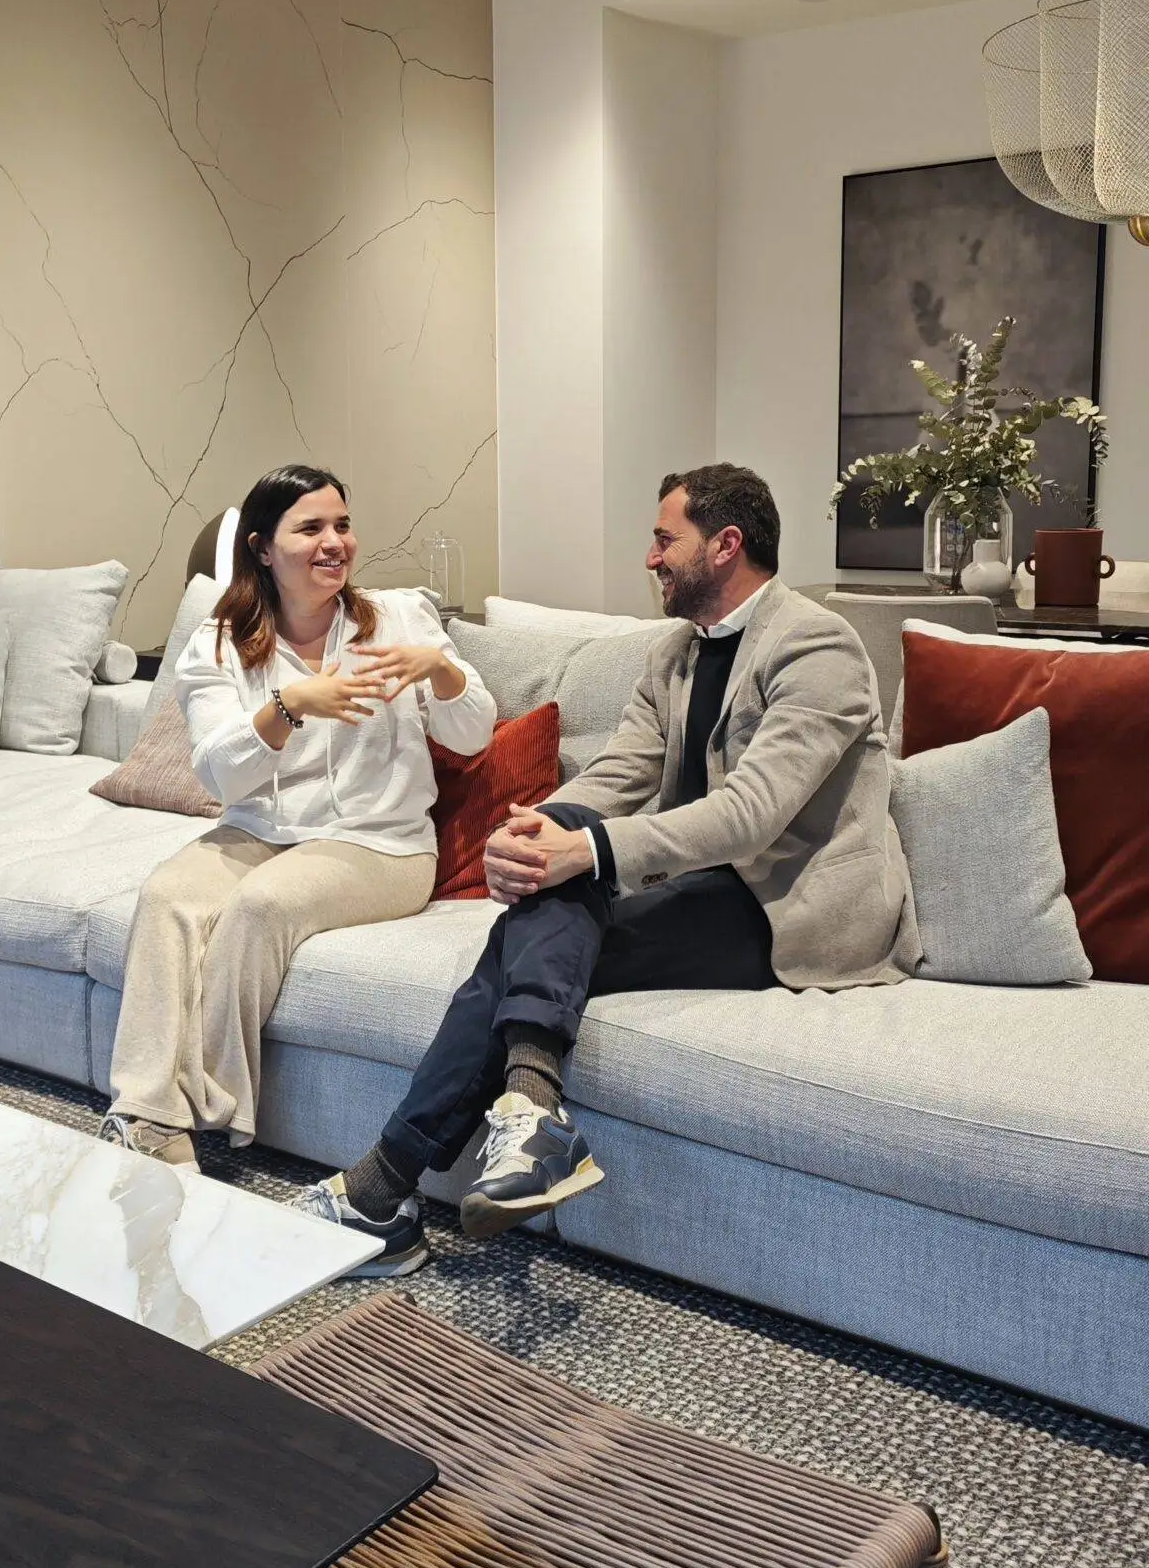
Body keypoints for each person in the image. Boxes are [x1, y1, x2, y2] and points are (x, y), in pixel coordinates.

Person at [305, 462, 919, 1271]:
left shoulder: (818, 646)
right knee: (551, 884)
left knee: (523, 934)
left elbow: (751, 815)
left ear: (726, 545)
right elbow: (619, 774)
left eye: (666, 540)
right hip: (701, 885)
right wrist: (534, 832)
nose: (651, 558)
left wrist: (585, 850)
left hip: (791, 904)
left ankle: (389, 1182)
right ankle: (520, 1126)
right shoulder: (674, 654)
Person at [103, 465, 495, 1224]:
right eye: (310, 528)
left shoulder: (399, 616)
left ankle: (203, 1107)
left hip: (382, 845)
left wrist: (442, 671)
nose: (334, 542)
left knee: (261, 905)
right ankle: (144, 1116)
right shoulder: (220, 644)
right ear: (262, 547)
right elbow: (219, 773)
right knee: (169, 894)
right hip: (260, 829)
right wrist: (288, 705)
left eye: (341, 525)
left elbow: (473, 733)